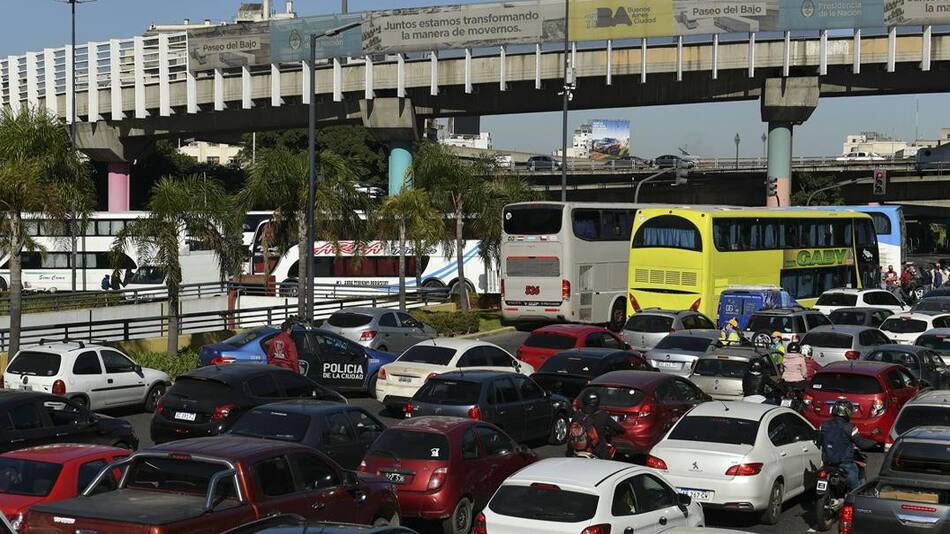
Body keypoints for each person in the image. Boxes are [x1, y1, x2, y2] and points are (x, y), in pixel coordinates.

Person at [818, 399, 877, 494]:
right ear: (847, 412)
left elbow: (818, 442)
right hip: (845, 464)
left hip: (827, 464)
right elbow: (862, 444)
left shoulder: (824, 426)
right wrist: (875, 442)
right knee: (856, 489)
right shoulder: (850, 427)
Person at [567, 390, 625, 460]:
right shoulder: (603, 415)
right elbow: (620, 429)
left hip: (576, 451)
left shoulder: (577, 414)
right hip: (597, 453)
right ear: (597, 401)